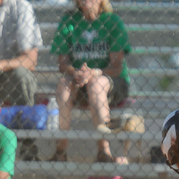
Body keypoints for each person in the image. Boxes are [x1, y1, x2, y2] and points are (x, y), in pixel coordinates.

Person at [48, 0, 132, 161]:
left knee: (96, 84)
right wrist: (77, 72)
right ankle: (61, 150)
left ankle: (103, 150)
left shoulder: (112, 21)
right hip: (79, 80)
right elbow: (63, 64)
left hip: (111, 80)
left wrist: (93, 73)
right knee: (63, 84)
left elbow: (116, 67)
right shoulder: (69, 20)